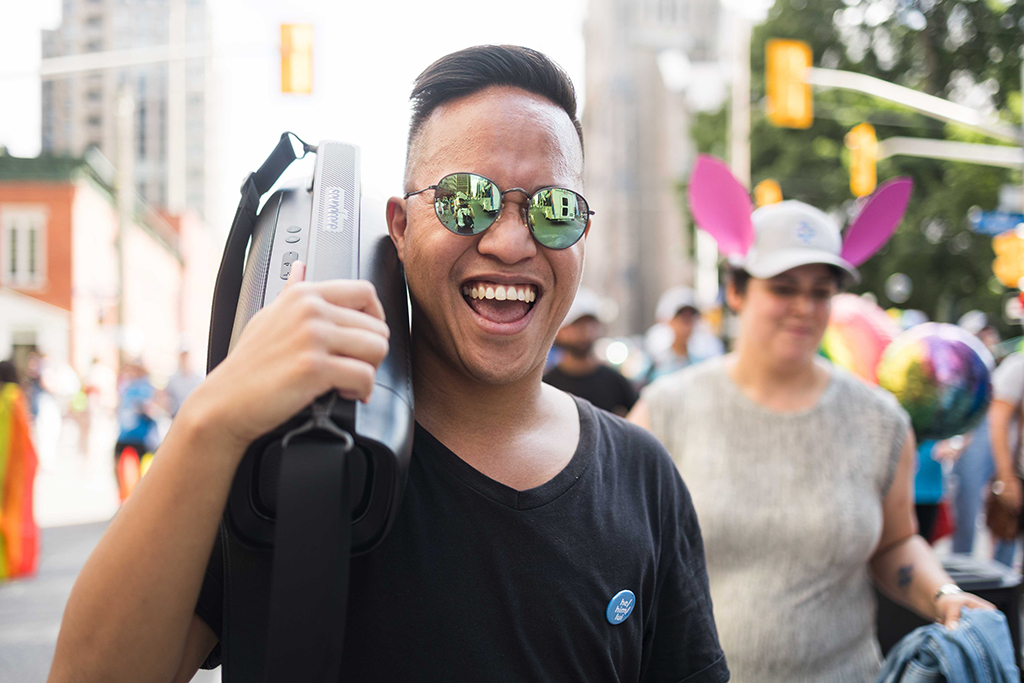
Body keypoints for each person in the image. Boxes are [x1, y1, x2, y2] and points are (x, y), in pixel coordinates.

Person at [50, 45, 728, 683]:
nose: (511, 241)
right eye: (468, 200)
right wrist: (210, 418)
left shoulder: (643, 477)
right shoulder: (299, 448)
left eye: (553, 209)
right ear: (400, 228)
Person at [629, 191, 994, 682]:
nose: (804, 307)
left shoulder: (880, 420)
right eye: (783, 287)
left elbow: (895, 544)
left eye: (821, 291)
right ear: (736, 292)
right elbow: (618, 551)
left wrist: (946, 598)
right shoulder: (667, 408)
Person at [543, 286, 639, 416]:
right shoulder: (547, 385)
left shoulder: (616, 382)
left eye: (591, 324)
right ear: (560, 331)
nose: (585, 332)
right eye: (577, 325)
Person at [986, 349, 1024, 567]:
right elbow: (997, 421)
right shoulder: (1018, 366)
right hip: (1019, 475)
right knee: (1005, 551)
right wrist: (1007, 477)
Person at [163, 350, 203, 418]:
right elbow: (166, 398)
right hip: (178, 417)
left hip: (196, 416)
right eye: (183, 360)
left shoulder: (199, 380)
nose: (185, 363)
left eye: (187, 360)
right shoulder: (173, 381)